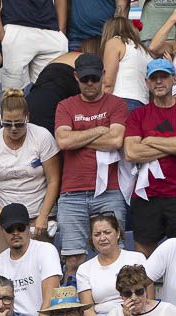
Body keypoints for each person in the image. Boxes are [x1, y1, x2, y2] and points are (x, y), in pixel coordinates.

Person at [54, 52, 129, 272]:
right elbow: (64, 141)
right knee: (73, 259)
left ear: (103, 75)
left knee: (114, 255)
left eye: (94, 78)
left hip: (109, 190)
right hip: (71, 192)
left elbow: (116, 140)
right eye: (84, 78)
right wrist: (97, 130)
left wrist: (79, 136)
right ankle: (77, 307)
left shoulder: (117, 103)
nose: (89, 83)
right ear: (76, 76)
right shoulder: (65, 105)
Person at [124, 59, 176, 258]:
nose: (159, 82)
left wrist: (149, 140)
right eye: (154, 78)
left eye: (164, 77)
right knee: (143, 258)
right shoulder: (138, 115)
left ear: (175, 79)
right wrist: (173, 146)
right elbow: (131, 152)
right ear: (146, 82)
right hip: (146, 195)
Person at [0, 89, 61, 259]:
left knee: (41, 264)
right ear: (0, 119)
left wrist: (44, 215)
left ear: (27, 117)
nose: (13, 128)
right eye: (7, 124)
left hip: (37, 212)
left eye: (19, 123)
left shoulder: (42, 136)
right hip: (2, 212)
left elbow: (54, 180)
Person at [0, 204, 63, 316]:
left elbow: (51, 298)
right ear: (2, 231)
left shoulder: (46, 250)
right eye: (9, 229)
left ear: (29, 227)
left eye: (20, 227)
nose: (15, 233)